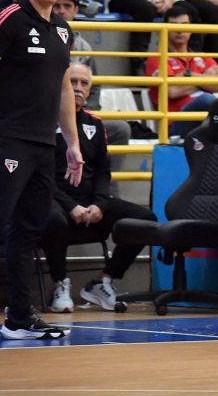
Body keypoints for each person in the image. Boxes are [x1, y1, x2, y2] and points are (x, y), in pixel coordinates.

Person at [0, 0, 83, 340]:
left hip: (42, 145)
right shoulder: (10, 20)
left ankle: (19, 316)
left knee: (28, 230)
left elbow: (64, 87)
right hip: (7, 139)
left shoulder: (64, 30)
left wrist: (71, 143)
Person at [41, 62, 157, 313]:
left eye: (84, 83)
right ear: (60, 84)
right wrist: (71, 207)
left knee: (145, 219)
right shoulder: (42, 120)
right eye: (72, 82)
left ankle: (103, 280)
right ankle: (60, 284)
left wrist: (100, 205)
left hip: (91, 200)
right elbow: (41, 175)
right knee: (52, 220)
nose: (78, 88)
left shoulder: (95, 123)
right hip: (55, 200)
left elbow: (103, 171)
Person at [55, 0, 132, 191]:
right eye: (57, 6)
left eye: (67, 6)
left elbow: (94, 86)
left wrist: (87, 115)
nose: (61, 11)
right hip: (50, 114)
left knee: (120, 129)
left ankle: (106, 194)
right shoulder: (38, 37)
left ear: (75, 11)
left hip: (80, 112)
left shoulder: (83, 46)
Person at [144, 5, 218, 137]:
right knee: (207, 100)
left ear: (191, 28)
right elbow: (171, 91)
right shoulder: (156, 58)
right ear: (164, 28)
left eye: (184, 24)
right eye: (173, 25)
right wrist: (204, 80)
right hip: (176, 125)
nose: (180, 30)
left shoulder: (203, 56)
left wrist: (187, 76)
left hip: (206, 121)